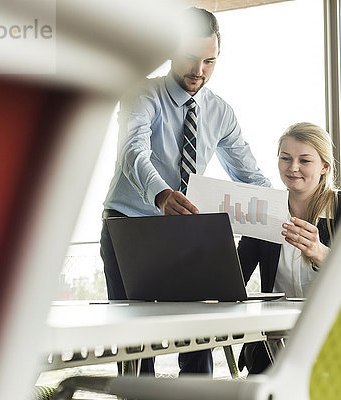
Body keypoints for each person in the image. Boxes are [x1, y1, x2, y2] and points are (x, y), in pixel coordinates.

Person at [100, 7, 271, 376]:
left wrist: (283, 209)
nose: (199, 71)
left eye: (209, 61)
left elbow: (251, 177)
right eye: (190, 58)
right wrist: (161, 194)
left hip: (184, 231)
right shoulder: (142, 94)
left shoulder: (220, 112)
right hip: (130, 227)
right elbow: (134, 151)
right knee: (136, 338)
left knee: (198, 332)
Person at [237, 122, 341, 374]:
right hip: (274, 345)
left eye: (304, 160)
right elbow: (236, 274)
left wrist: (321, 253)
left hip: (334, 338)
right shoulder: (265, 209)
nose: (292, 167)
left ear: (324, 167)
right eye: (285, 158)